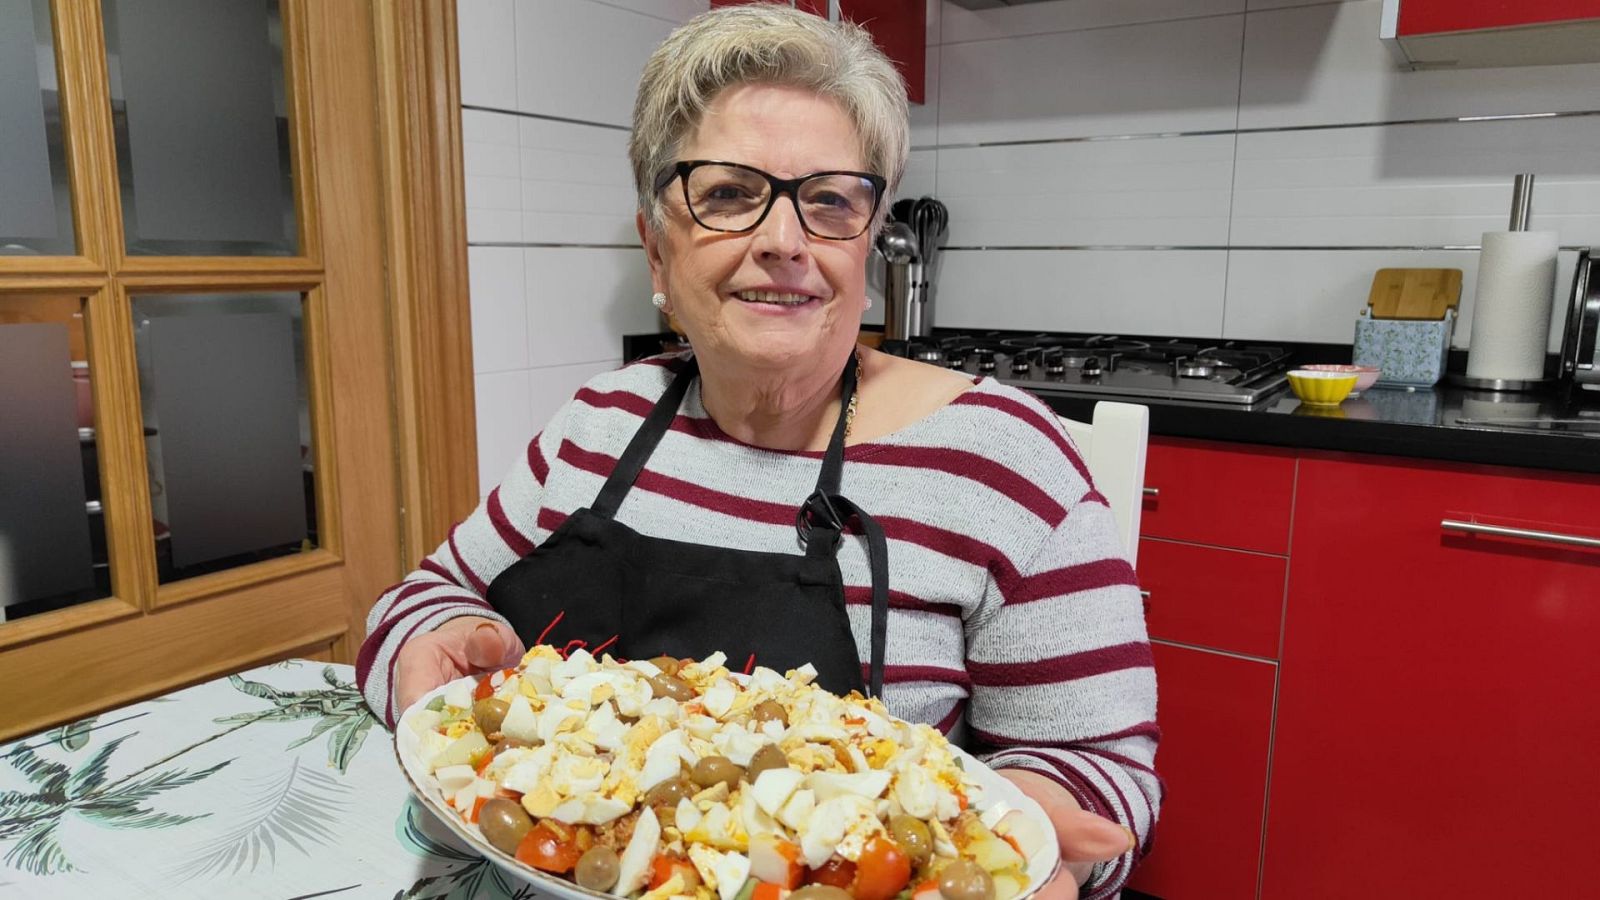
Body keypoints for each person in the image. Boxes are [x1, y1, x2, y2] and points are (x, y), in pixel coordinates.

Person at [358, 6, 1158, 898]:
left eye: (830, 200)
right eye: (729, 194)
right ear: (656, 252)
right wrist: (432, 644)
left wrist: (1019, 850)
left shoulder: (1003, 464)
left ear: (869, 245)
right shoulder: (598, 426)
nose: (784, 242)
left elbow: (1106, 776)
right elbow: (424, 598)